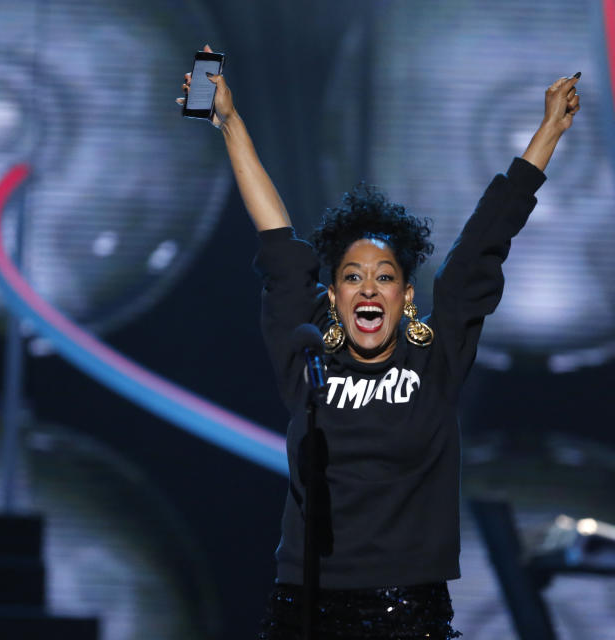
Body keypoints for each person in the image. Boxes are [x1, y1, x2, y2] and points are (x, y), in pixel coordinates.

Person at [179, 46, 580, 638]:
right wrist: (230, 124)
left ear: (406, 297)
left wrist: (547, 131)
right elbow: (275, 236)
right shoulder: (309, 350)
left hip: (408, 613)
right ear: (335, 295)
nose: (369, 288)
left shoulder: (435, 357)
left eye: (385, 277)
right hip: (304, 606)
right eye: (352, 276)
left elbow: (483, 242)